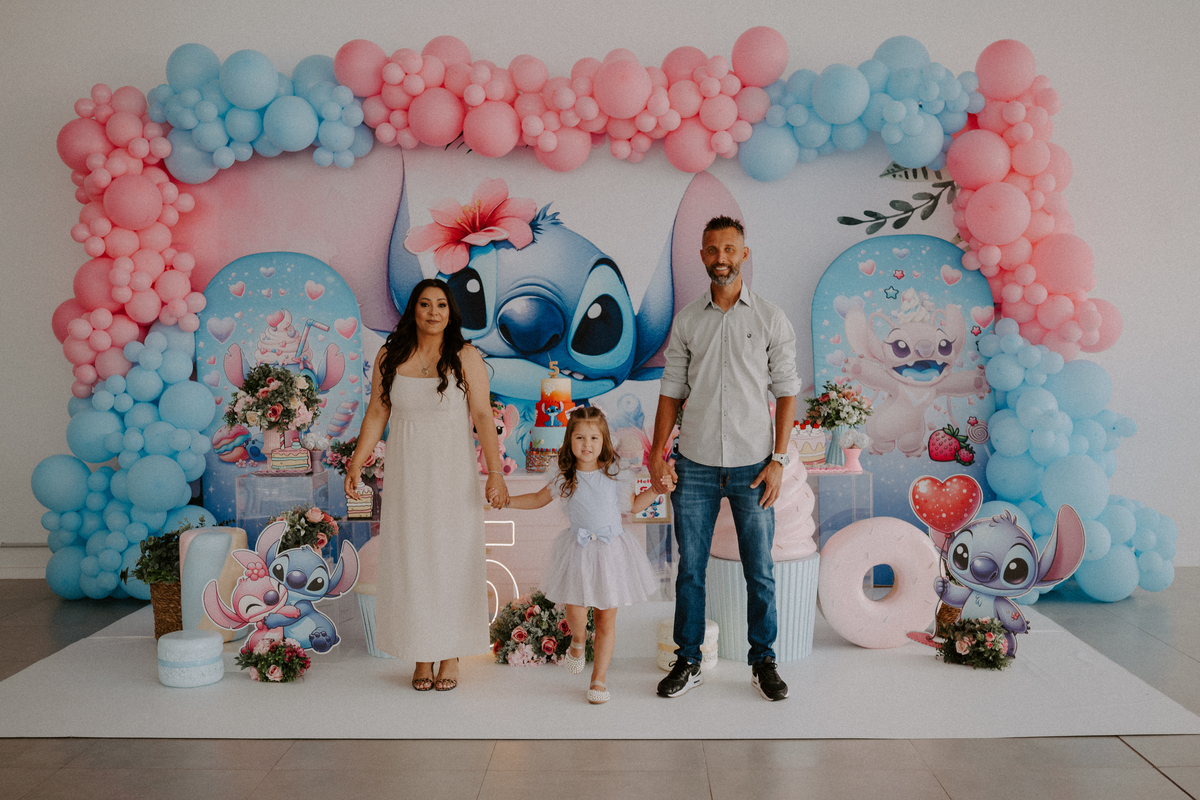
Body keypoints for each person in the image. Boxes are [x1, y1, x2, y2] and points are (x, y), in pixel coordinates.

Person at [649, 216, 800, 702]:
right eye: (712, 249)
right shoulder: (688, 320)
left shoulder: (770, 318)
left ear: (744, 254)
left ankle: (764, 662)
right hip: (694, 464)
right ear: (702, 256)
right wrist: (657, 453)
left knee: (760, 570)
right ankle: (688, 660)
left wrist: (779, 460)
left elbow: (786, 391)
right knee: (690, 570)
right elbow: (671, 389)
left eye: (730, 249)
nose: (721, 258)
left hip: (754, 466)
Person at [346, 278, 509, 692]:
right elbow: (376, 413)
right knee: (412, 562)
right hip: (407, 477)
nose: (433, 312)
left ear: (450, 312)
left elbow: (483, 416)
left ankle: (450, 652)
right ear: (413, 310)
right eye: (424, 304)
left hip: (453, 476)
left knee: (451, 560)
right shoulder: (391, 354)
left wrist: (494, 473)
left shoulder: (465, 356)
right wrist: (356, 462)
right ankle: (421, 654)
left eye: (441, 304)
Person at [506, 406, 665, 704]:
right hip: (578, 550)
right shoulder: (565, 475)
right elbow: (538, 499)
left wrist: (657, 490)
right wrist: (508, 501)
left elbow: (633, 505)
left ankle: (599, 679)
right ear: (570, 441)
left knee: (606, 619)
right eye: (580, 438)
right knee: (576, 612)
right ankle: (578, 640)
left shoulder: (616, 474)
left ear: (604, 441)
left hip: (611, 551)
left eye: (594, 438)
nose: (587, 444)